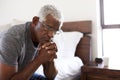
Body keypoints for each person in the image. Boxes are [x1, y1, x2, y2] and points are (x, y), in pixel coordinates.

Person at [0, 4, 63, 80]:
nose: (51, 35)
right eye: (48, 27)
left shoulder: (45, 38)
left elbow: (51, 76)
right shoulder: (13, 38)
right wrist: (40, 59)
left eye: (55, 31)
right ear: (35, 21)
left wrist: (50, 58)